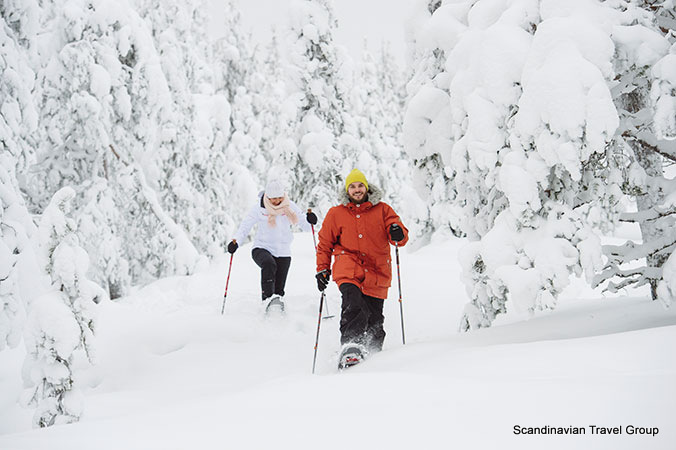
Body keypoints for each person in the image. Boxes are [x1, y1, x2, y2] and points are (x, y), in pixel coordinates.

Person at [315, 168, 408, 368]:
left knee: (375, 319)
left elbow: (399, 237)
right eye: (352, 186)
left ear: (366, 188)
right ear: (347, 190)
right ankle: (351, 345)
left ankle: (373, 357)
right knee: (353, 302)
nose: (357, 190)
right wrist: (322, 269)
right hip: (348, 267)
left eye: (360, 186)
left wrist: (397, 232)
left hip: (377, 271)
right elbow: (324, 244)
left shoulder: (383, 210)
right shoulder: (336, 214)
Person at [228, 179, 317, 313]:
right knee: (269, 264)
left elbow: (306, 226)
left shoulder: (289, 206)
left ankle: (276, 312)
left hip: (283, 252)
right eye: (274, 198)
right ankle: (267, 301)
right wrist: (236, 242)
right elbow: (245, 227)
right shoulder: (259, 208)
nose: (277, 201)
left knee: (279, 290)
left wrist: (311, 220)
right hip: (261, 248)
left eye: (280, 197)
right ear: (268, 196)